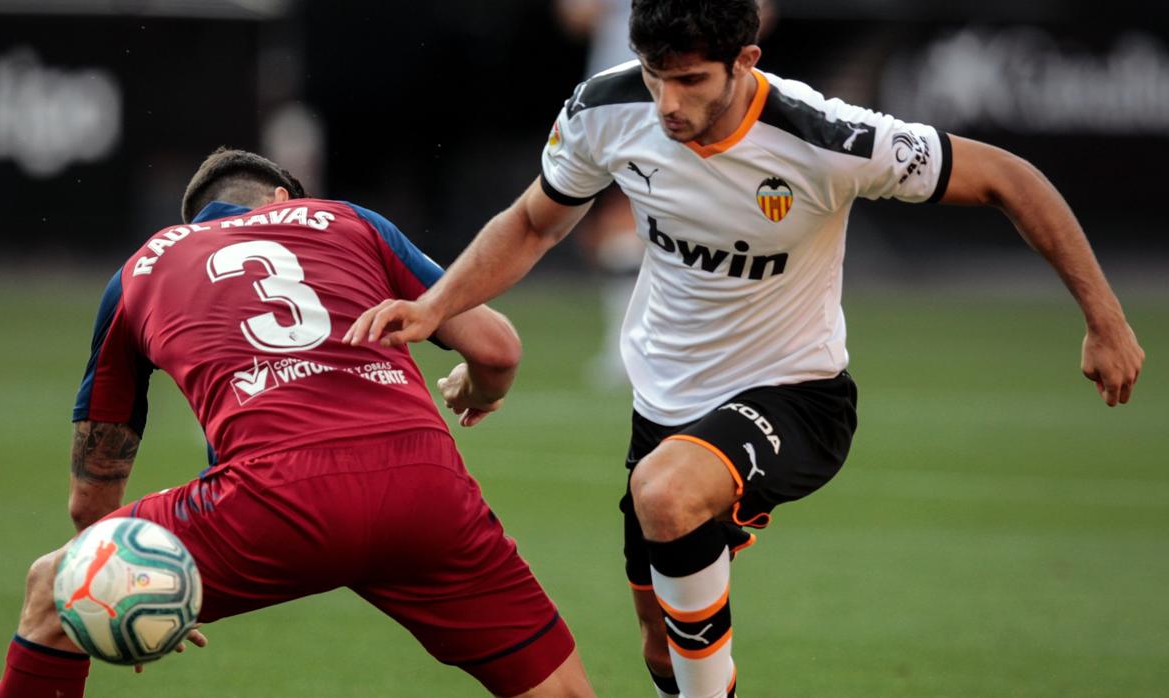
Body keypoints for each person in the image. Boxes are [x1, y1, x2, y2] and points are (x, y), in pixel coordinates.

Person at [343, 1, 1146, 697]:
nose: (668, 101)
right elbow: (532, 223)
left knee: (665, 494)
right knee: (661, 640)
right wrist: (435, 305)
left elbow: (1011, 176)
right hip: (664, 405)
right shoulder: (605, 109)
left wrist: (1104, 320)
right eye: (657, 73)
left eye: (691, 79)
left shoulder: (827, 138)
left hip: (796, 397)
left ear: (746, 61)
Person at [0, 148, 596, 698]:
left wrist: (132, 592)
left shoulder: (140, 269)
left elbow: (91, 496)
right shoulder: (347, 219)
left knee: (54, 589)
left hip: (273, 499)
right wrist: (477, 390)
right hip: (424, 488)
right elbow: (498, 350)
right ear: (286, 200)